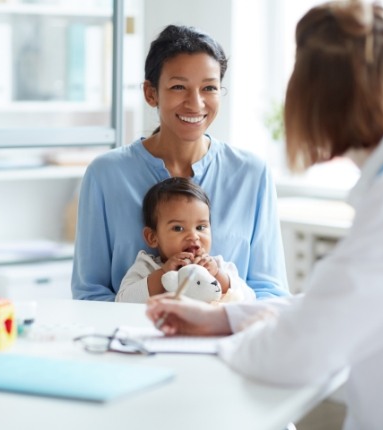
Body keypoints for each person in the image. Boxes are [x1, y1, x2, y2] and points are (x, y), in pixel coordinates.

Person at [146, 2, 383, 428]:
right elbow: (332, 304)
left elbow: (298, 351)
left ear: (322, 99)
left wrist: (227, 343)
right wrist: (225, 318)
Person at [72, 24, 289, 301]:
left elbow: (271, 294)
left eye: (209, 88)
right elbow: (89, 294)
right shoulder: (105, 174)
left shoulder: (252, 174)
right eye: (178, 87)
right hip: (131, 340)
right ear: (151, 94)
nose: (195, 103)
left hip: (226, 340)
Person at [116, 177, 256, 303]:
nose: (193, 236)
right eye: (178, 228)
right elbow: (122, 302)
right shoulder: (147, 266)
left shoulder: (219, 265)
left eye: (201, 227)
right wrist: (162, 273)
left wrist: (218, 275)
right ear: (152, 237)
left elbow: (249, 298)